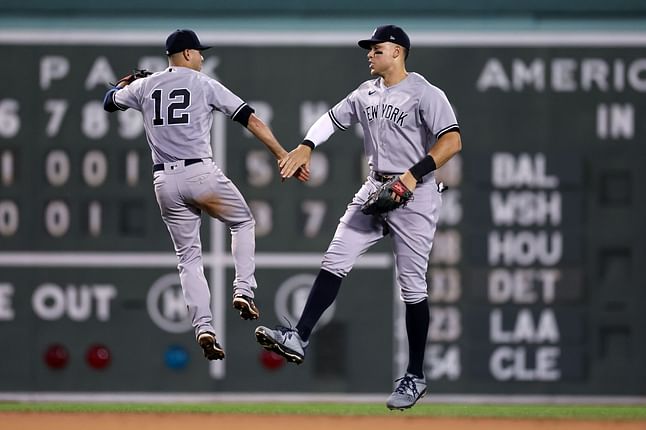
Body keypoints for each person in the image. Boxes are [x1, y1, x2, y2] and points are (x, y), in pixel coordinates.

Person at [254, 25, 461, 409]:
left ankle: (414, 376)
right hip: (375, 186)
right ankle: (299, 336)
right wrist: (306, 145)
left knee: (412, 287)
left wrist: (412, 176)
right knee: (334, 258)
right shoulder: (365, 93)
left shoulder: (425, 93)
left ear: (397, 52)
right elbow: (331, 120)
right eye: (369, 48)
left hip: (416, 193)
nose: (369, 54)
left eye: (376, 48)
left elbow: (452, 141)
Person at [103, 29, 307, 361]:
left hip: (165, 182)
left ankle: (204, 327)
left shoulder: (145, 86)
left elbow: (109, 102)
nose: (202, 57)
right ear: (185, 54)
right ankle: (243, 290)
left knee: (188, 259)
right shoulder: (203, 83)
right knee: (242, 222)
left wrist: (124, 85)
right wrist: (282, 153)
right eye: (198, 52)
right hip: (200, 173)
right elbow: (249, 119)